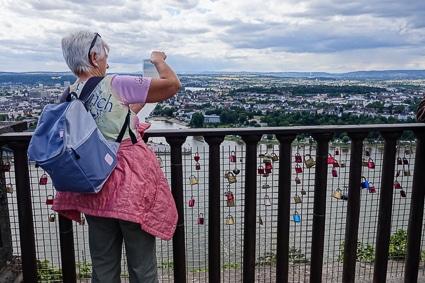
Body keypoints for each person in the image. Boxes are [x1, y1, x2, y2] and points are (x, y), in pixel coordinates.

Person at [51, 30, 180, 283]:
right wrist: (157, 60)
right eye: (105, 57)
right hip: (129, 185)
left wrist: (136, 105)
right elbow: (172, 85)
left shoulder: (69, 94)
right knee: (142, 266)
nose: (107, 63)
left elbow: (111, 120)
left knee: (103, 265)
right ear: (94, 55)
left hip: (93, 186)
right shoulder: (116, 83)